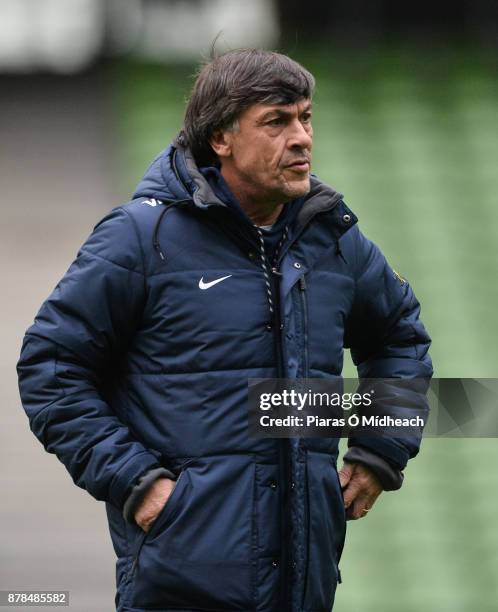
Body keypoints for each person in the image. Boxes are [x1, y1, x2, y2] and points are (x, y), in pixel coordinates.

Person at [17, 49, 433, 612]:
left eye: (306, 118)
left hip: (303, 584)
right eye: (276, 122)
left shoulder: (334, 239)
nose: (302, 138)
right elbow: (52, 367)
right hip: (180, 580)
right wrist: (139, 483)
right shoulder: (142, 237)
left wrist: (379, 449)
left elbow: (400, 339)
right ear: (221, 139)